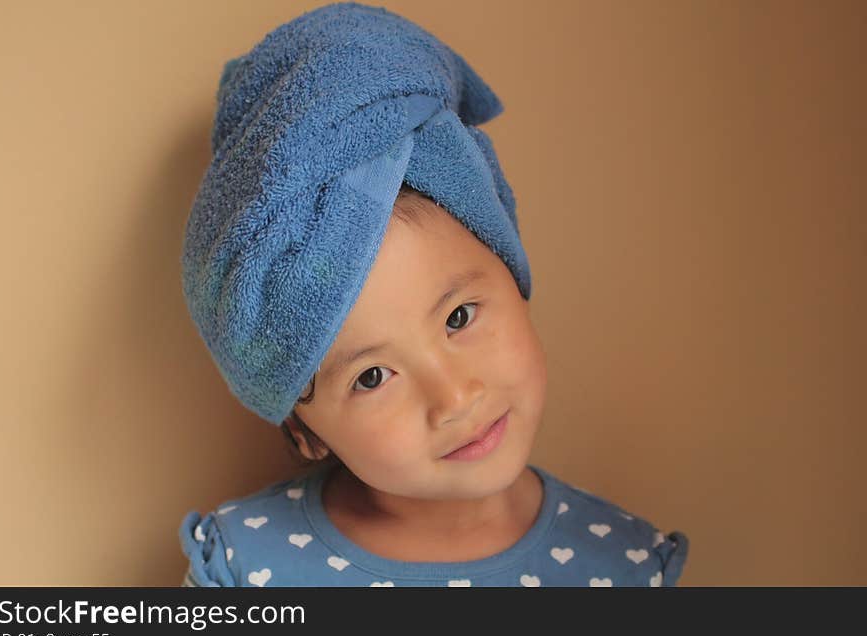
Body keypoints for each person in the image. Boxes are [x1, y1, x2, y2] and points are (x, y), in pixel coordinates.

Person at [178, 2, 688, 587]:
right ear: (306, 432)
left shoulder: (624, 567)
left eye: (460, 316)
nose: (454, 398)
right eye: (371, 376)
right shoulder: (246, 567)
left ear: (512, 273)